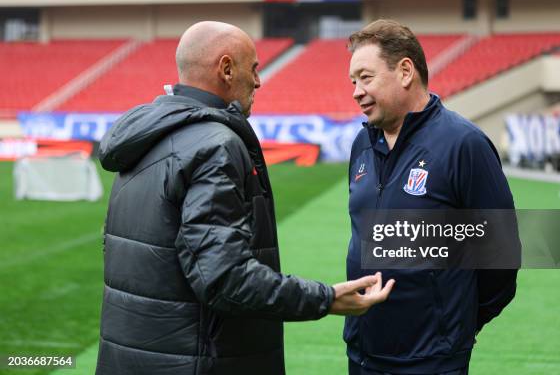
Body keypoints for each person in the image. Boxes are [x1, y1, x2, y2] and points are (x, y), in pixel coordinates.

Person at [95, 21, 394, 375]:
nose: (258, 80)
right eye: (253, 68)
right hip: (197, 361)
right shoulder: (214, 146)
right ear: (225, 69)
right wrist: (326, 298)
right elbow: (225, 279)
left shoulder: (148, 137)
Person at [345, 19, 519, 374]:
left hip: (432, 360)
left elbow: (501, 256)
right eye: (353, 81)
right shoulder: (362, 144)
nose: (356, 91)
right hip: (363, 353)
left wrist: (454, 327)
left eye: (366, 77)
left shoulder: (463, 145)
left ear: (406, 71)